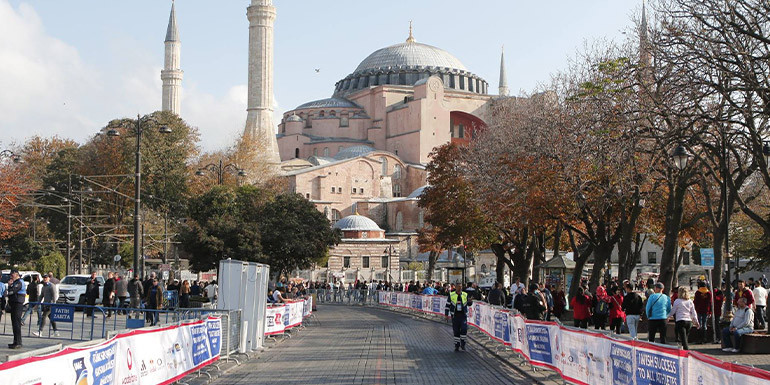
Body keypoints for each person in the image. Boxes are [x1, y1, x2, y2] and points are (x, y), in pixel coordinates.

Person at [449, 284, 471, 351]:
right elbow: (447, 305)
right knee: (456, 331)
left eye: (461, 287)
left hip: (463, 316)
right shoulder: (451, 294)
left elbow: (468, 303)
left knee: (464, 330)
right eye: (458, 287)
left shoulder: (465, 294)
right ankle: (457, 345)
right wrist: (446, 314)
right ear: (455, 287)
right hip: (455, 316)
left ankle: (463, 344)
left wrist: (470, 302)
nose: (460, 288)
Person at [6, 270, 25, 348]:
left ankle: (18, 342)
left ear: (16, 274)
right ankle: (15, 341)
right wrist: (10, 286)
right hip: (14, 304)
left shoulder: (19, 282)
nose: (11, 276)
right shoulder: (15, 282)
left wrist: (10, 286)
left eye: (12, 275)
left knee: (17, 324)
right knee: (14, 324)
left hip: (18, 304)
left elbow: (12, 292)